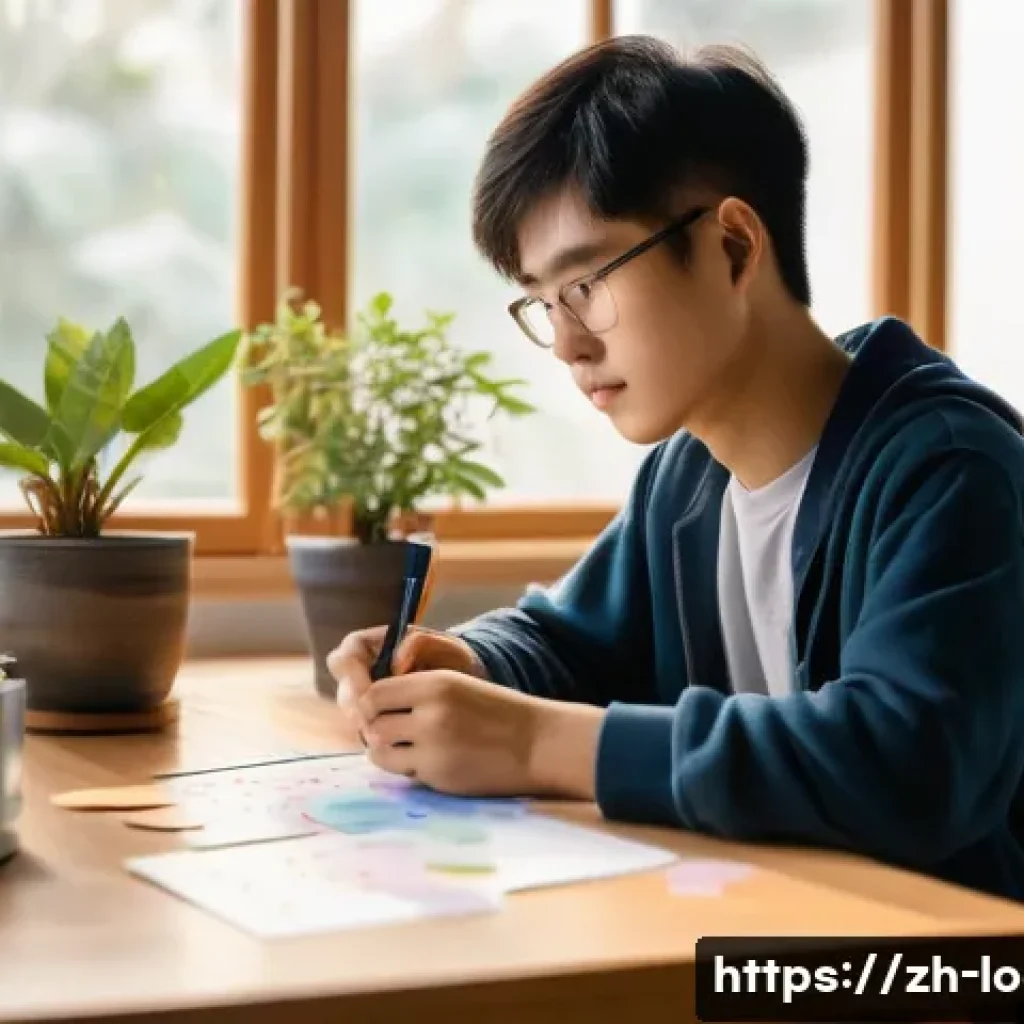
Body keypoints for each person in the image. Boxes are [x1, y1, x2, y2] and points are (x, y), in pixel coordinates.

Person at [329, 35, 1024, 903]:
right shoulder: (688, 476)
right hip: (784, 932)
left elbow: (907, 766)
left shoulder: (949, 468)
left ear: (733, 246)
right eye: (543, 304)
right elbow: (570, 642)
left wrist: (537, 745)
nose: (570, 345)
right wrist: (465, 663)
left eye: (587, 284)